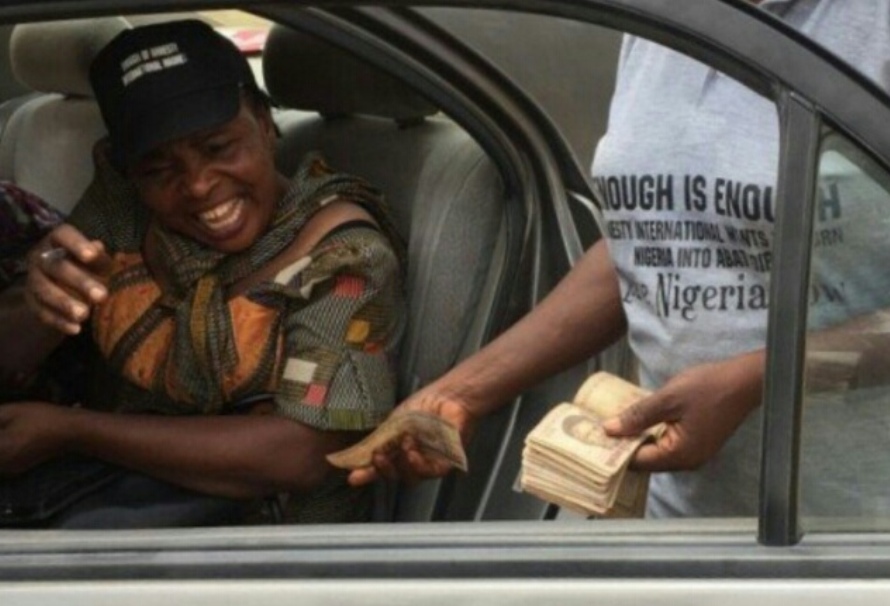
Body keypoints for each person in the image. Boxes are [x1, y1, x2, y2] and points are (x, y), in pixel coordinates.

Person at [348, 0, 890, 518]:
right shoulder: (664, 25)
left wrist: (756, 381)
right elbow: (647, 244)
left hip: (851, 532)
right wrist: (460, 394)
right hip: (689, 519)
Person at [0, 19, 405, 527]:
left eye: (218, 149)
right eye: (158, 169)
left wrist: (75, 430)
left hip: (277, 552)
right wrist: (38, 304)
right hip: (116, 511)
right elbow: (15, 348)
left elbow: (302, 453)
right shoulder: (124, 206)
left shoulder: (346, 257)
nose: (196, 185)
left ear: (263, 121)